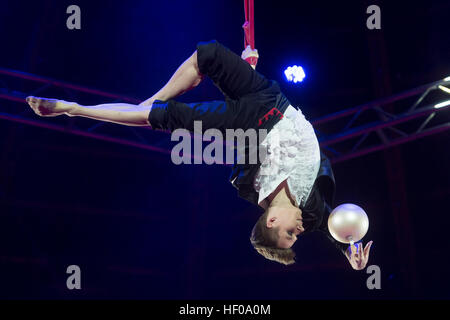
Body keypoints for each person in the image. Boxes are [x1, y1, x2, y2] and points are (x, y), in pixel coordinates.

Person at [26, 40, 373, 270]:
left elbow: (247, 149)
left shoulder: (255, 189)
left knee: (173, 102)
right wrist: (349, 253)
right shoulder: (312, 212)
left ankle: (75, 109)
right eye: (296, 236)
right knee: (204, 58)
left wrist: (74, 109)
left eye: (289, 234)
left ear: (270, 222)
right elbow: (333, 228)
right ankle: (149, 103)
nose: (299, 230)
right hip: (273, 99)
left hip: (251, 124)